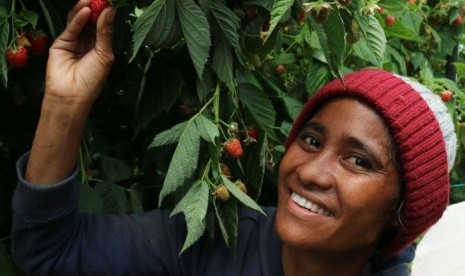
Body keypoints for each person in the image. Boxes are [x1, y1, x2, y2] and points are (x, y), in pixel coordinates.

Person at [11, 1, 457, 275]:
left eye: (359, 161)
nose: (311, 172)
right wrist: (65, 106)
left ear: (402, 213)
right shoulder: (215, 239)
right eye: (313, 141)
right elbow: (51, 250)